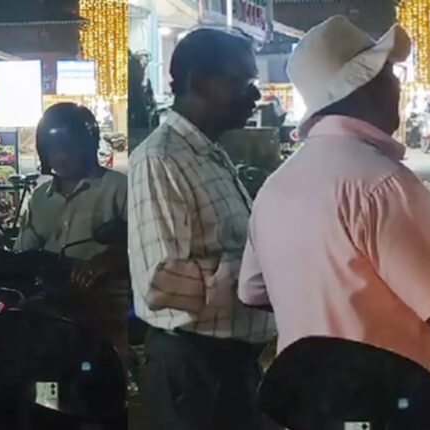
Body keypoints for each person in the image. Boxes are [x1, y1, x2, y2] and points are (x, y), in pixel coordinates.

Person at [238, 16, 430, 430]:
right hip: (399, 413)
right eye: (388, 72)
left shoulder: (276, 187)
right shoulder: (381, 185)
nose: (397, 85)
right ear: (362, 85)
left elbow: (253, 291)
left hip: (319, 412)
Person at [128, 29, 276, 430]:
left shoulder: (209, 154)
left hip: (230, 367)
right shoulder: (160, 159)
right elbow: (161, 280)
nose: (253, 95)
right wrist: (261, 276)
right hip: (193, 373)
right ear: (198, 82)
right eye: (239, 82)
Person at [14, 102, 128, 357]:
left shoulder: (118, 188)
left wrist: (106, 261)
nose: (61, 156)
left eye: (70, 147)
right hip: (50, 312)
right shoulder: (40, 198)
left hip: (103, 311)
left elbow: (142, 244)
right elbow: (24, 252)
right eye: (53, 148)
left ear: (87, 147)